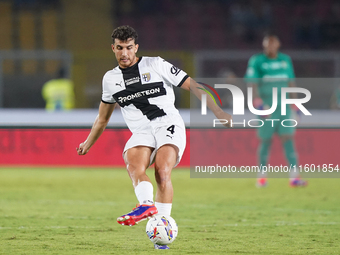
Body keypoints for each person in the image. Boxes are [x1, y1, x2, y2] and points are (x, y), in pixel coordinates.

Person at [76, 25, 231, 249]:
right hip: (142, 131)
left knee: (162, 170)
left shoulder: (155, 64)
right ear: (113, 48)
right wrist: (87, 143)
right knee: (133, 165)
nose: (124, 53)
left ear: (136, 47)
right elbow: (102, 118)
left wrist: (218, 111)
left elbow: (194, 86)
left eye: (129, 47)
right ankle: (147, 206)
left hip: (168, 123)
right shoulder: (110, 80)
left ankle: (161, 224)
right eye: (119, 48)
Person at [244, 33, 307, 188]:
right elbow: (252, 83)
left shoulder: (285, 60)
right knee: (266, 141)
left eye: (272, 44)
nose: (270, 47)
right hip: (267, 106)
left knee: (288, 139)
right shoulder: (257, 61)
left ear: (278, 45)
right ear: (264, 45)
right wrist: (257, 102)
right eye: (267, 44)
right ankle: (262, 177)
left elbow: (291, 81)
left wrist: (295, 104)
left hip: (284, 106)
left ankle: (294, 177)